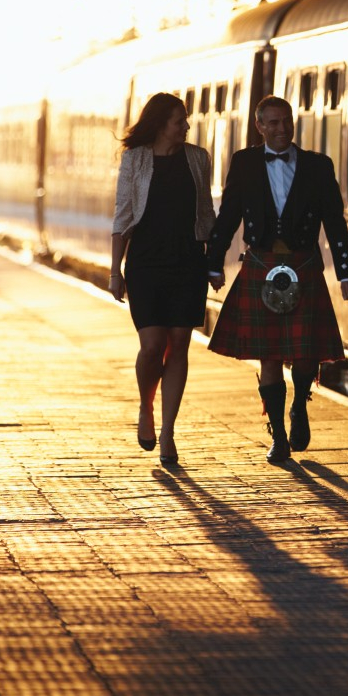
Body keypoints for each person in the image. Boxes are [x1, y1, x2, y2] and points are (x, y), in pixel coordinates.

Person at [206, 95, 348, 463]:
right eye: (272, 123)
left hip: (303, 265)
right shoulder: (244, 164)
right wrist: (213, 264)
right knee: (269, 356)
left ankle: (299, 404)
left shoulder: (318, 166)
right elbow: (228, 216)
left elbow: (334, 221)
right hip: (261, 263)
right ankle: (278, 436)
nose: (281, 129)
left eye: (286, 121)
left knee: (305, 355)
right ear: (260, 126)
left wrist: (346, 271)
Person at [109, 92, 216, 467]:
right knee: (152, 346)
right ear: (160, 124)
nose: (186, 127)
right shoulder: (135, 160)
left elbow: (207, 213)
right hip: (146, 263)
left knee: (180, 345)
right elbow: (122, 217)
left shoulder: (198, 159)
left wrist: (214, 263)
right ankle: (146, 406)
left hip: (188, 261)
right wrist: (114, 271)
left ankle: (169, 431)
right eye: (179, 121)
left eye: (185, 121)